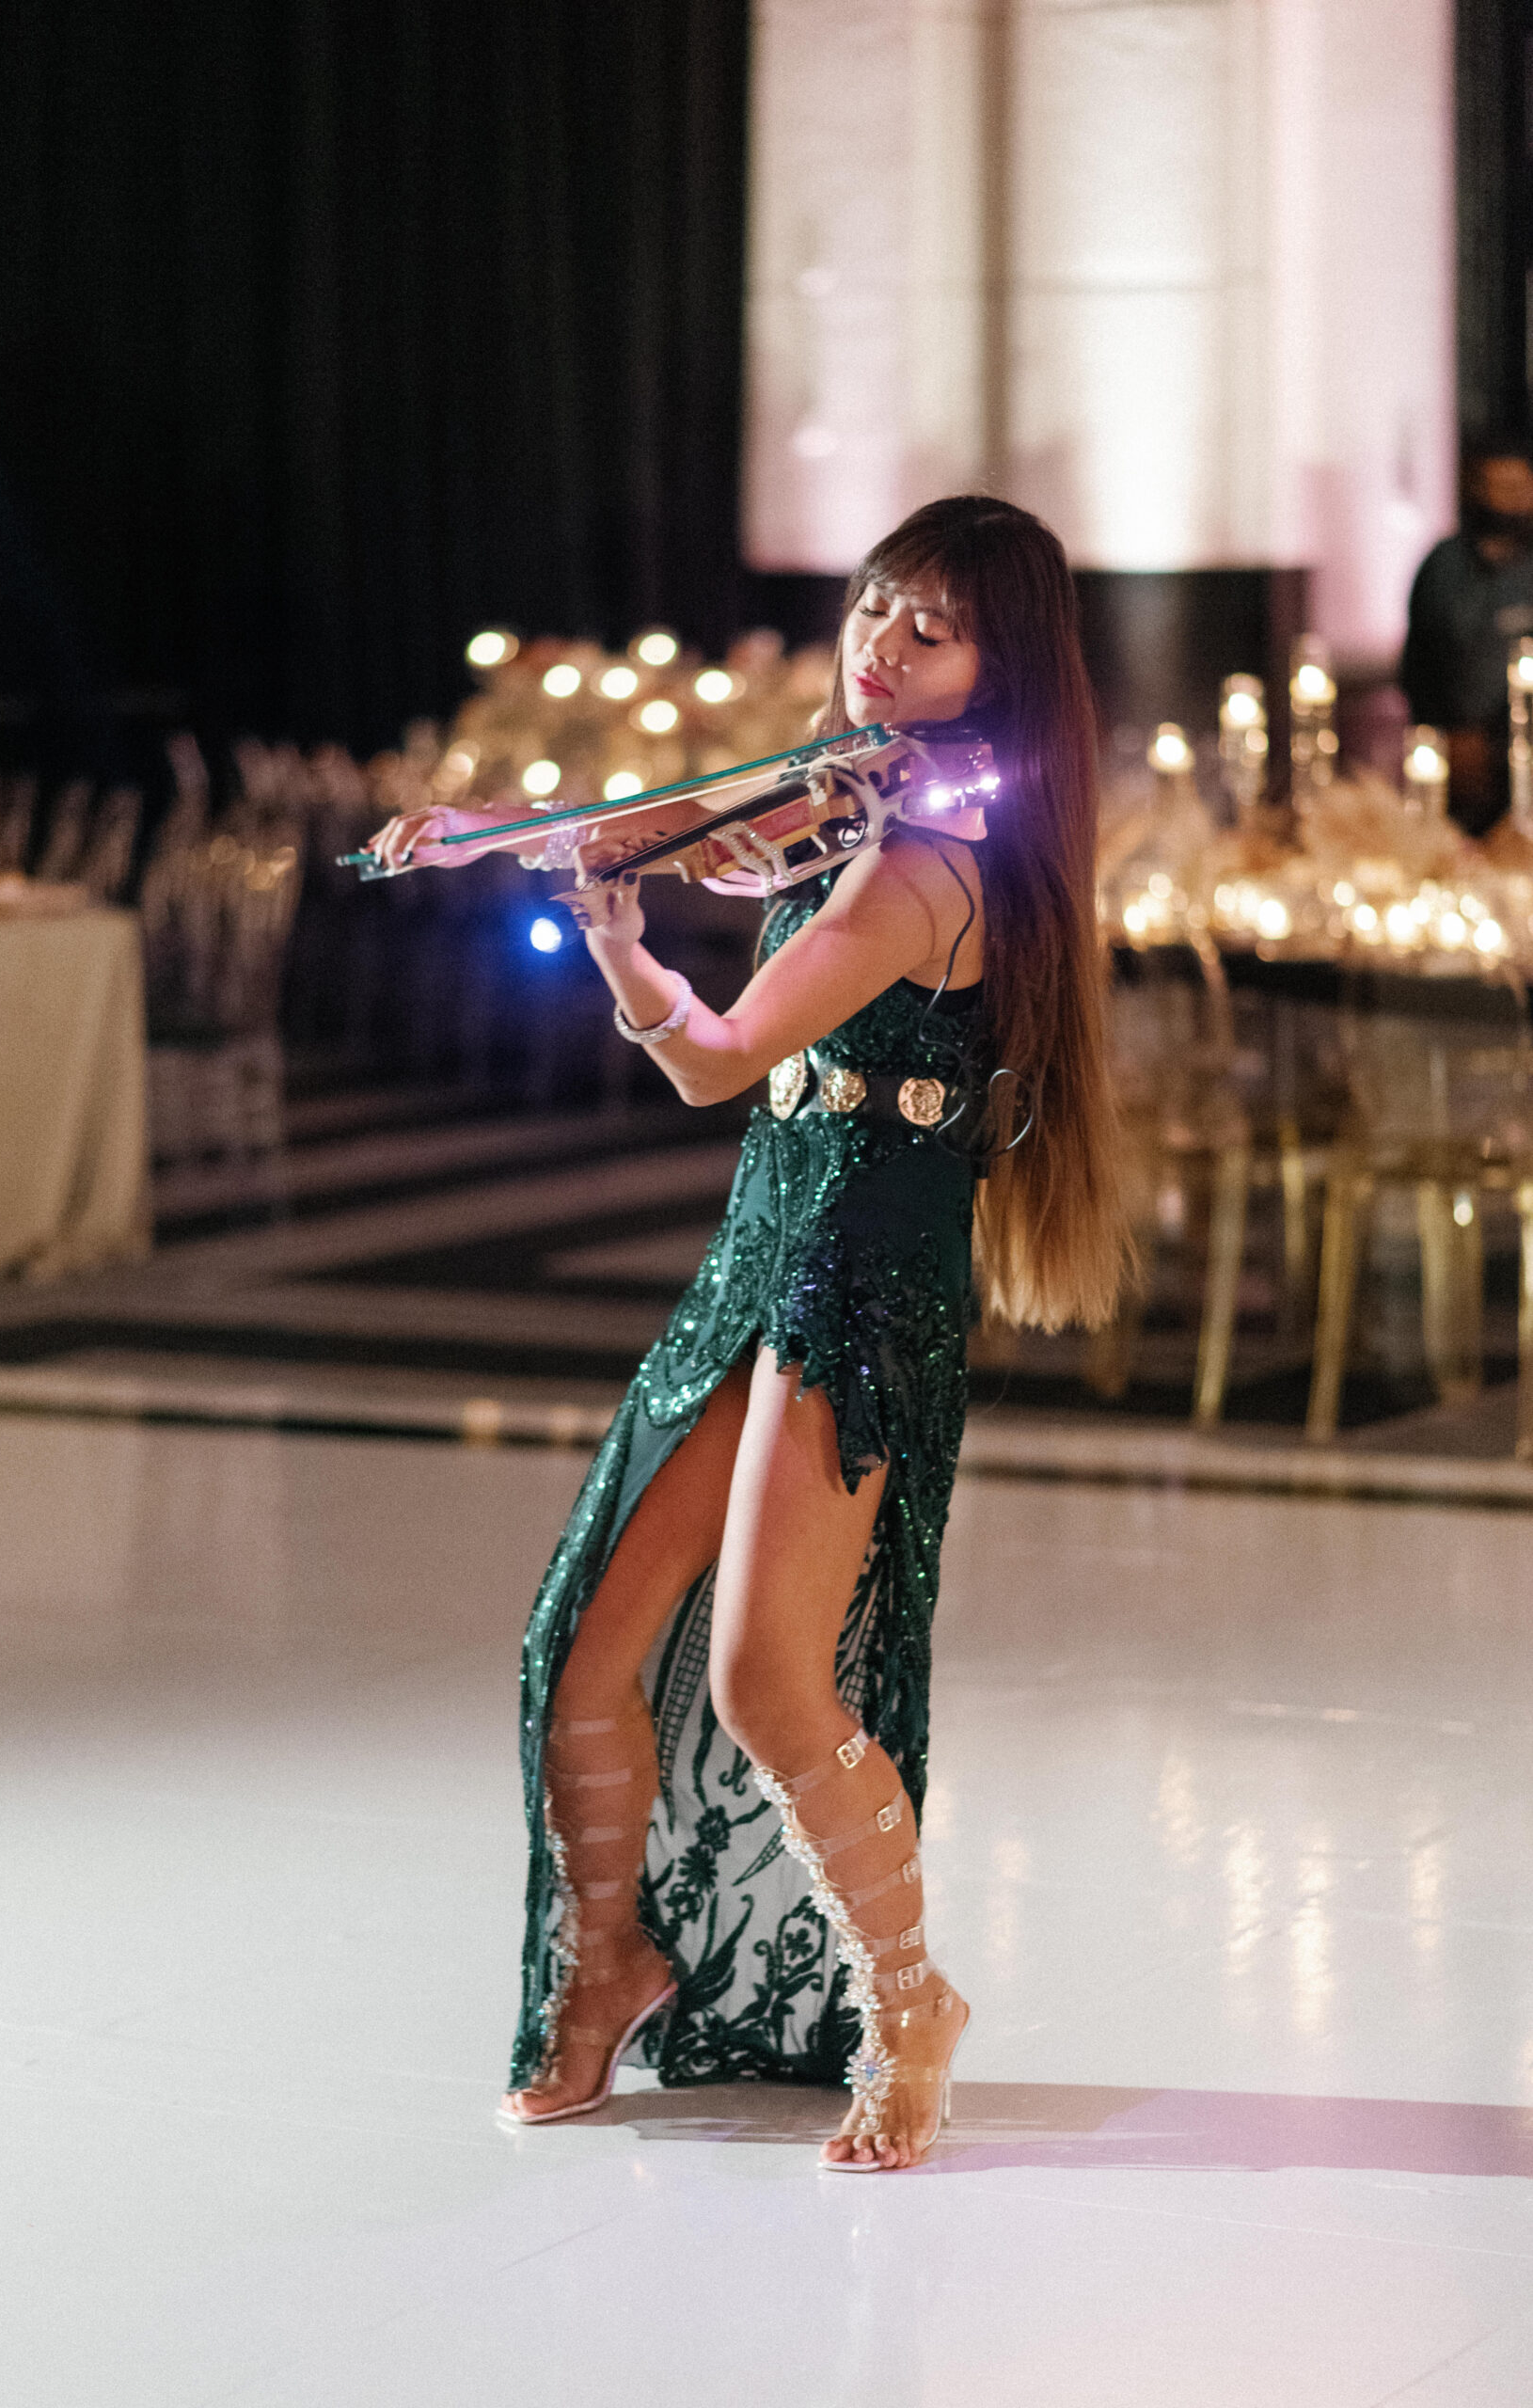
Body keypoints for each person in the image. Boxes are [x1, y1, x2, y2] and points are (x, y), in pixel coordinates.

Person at [368, 495, 1128, 2169]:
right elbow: (662, 816)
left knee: (765, 1674)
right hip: (762, 1250)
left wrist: (622, 954)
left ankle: (908, 1994)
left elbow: (714, 1060)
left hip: (856, 1278)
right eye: (871, 606)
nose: (879, 645)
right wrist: (488, 834)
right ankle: (607, 1967)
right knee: (578, 1640)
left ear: (999, 671)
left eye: (928, 628)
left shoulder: (932, 856)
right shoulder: (849, 780)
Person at [1401, 434, 1533, 834]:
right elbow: (1418, 661)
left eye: (1521, 487)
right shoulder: (1444, 567)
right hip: (1461, 755)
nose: (1512, 499)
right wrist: (1445, 735)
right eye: (1502, 488)